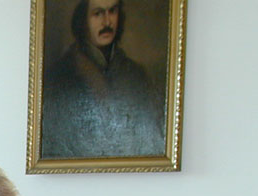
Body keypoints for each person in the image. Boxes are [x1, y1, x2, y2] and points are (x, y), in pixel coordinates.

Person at [41, 0, 165, 158]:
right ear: (82, 20)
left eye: (112, 11)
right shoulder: (60, 76)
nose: (107, 22)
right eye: (97, 14)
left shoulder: (136, 75)